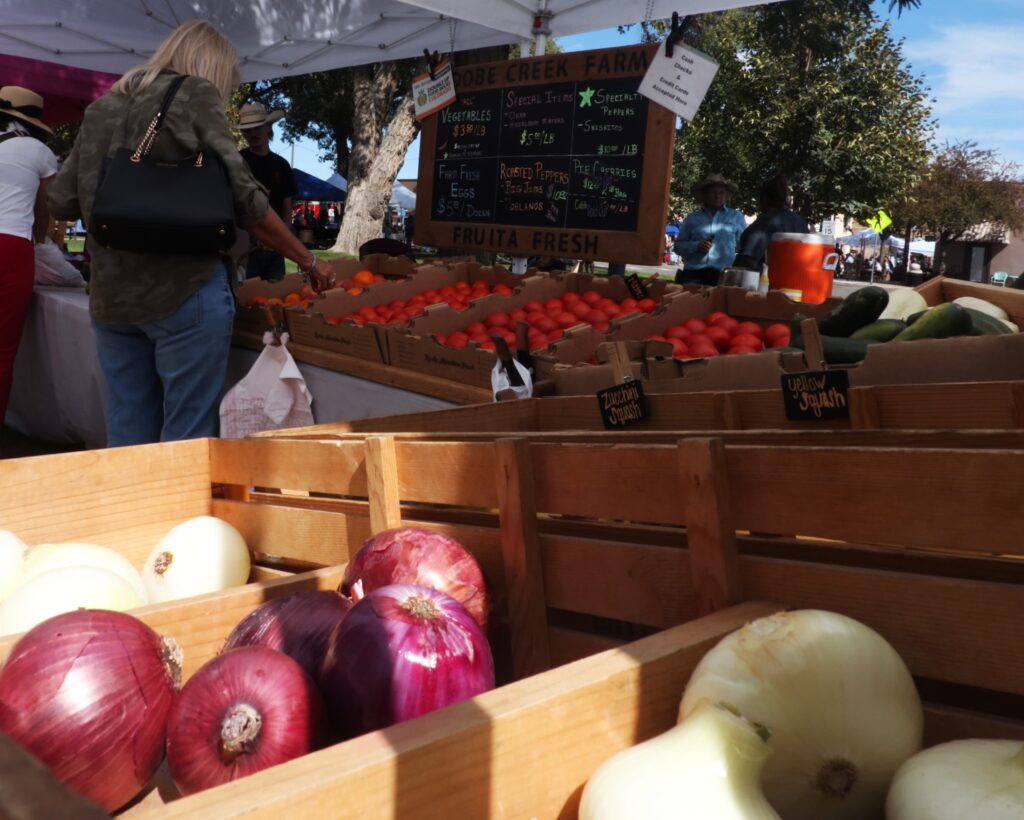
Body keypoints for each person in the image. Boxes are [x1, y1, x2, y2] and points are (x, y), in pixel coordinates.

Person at [47, 19, 335, 447]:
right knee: (187, 439)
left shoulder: (103, 107)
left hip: (112, 296)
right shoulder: (195, 94)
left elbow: (62, 199)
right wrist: (308, 259)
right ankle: (181, 514)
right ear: (212, 68)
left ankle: (134, 515)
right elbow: (248, 203)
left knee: (127, 432)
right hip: (185, 291)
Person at [0, 86, 58, 426]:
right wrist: (43, 243)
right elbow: (46, 210)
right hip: (11, 247)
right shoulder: (39, 151)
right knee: (3, 352)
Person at [238, 102, 298, 281]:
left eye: (257, 128)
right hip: (247, 250)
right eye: (247, 130)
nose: (253, 134)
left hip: (275, 247)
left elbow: (287, 205)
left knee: (277, 300)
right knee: (247, 301)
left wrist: (285, 240)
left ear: (268, 127)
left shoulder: (281, 165)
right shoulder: (238, 162)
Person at [673, 175, 747, 286]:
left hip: (723, 276)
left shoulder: (736, 217)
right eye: (713, 192)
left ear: (727, 196)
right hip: (694, 275)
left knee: (720, 304)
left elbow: (744, 247)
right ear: (705, 195)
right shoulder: (692, 218)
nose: (717, 196)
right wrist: (696, 246)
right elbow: (678, 247)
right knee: (691, 303)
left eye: (721, 192)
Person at [733, 174, 809, 271]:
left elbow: (748, 262)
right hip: (793, 282)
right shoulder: (800, 222)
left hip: (763, 283)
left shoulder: (765, 222)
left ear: (764, 199)